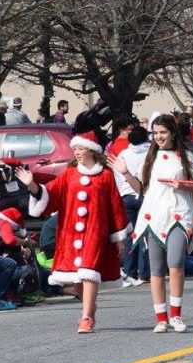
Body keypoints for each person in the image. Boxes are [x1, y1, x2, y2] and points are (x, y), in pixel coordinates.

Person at [18, 131, 129, 333]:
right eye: (75, 149)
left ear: (92, 150)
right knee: (77, 278)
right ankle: (89, 305)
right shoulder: (69, 175)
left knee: (89, 272)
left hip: (96, 233)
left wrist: (118, 237)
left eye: (80, 148)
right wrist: (32, 185)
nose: (76, 152)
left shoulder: (105, 176)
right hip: (70, 233)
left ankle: (86, 317)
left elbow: (115, 205)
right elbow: (50, 194)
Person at [111, 115, 193, 334]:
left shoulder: (185, 156)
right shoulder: (148, 158)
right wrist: (124, 171)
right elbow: (140, 189)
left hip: (179, 215)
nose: (159, 137)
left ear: (172, 132)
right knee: (156, 268)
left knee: (176, 263)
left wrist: (183, 185)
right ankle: (161, 318)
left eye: (163, 132)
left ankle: (177, 316)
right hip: (153, 217)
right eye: (155, 133)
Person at [112, 126, 150, 287]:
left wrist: (121, 193)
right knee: (145, 234)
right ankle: (144, 272)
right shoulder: (151, 153)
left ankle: (129, 271)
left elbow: (117, 176)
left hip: (126, 196)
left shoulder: (124, 154)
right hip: (145, 196)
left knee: (130, 234)